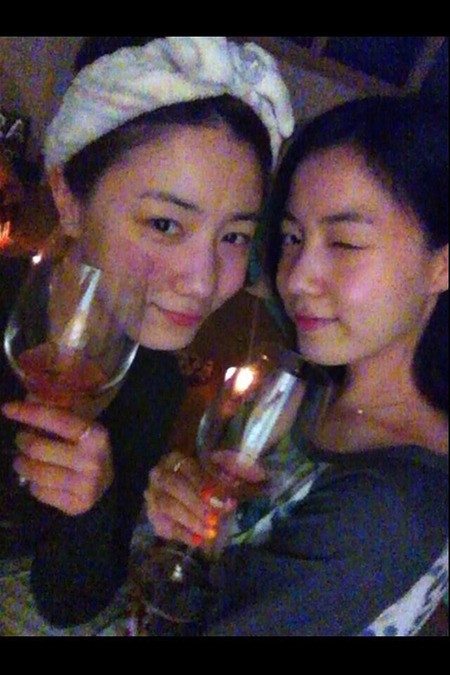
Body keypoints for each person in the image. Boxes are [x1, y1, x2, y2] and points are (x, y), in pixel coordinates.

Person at [0, 36, 294, 632]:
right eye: (165, 223)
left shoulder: (153, 374)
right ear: (68, 199)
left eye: (234, 236)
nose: (204, 281)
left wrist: (94, 503)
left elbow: (68, 603)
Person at [147, 94, 448, 636]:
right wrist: (183, 518)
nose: (297, 277)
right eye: (292, 237)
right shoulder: (303, 388)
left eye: (345, 242)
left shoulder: (390, 506)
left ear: (442, 265)